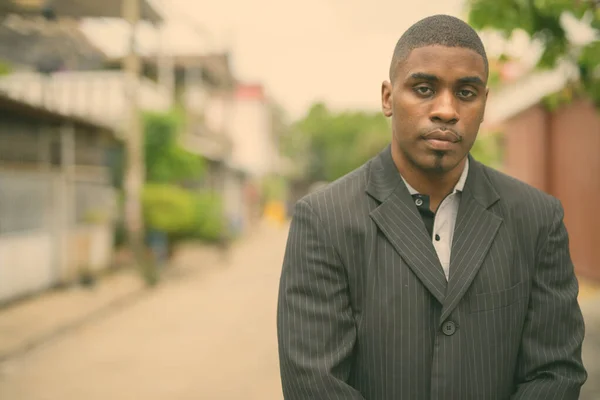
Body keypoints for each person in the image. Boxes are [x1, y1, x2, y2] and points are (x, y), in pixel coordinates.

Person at [276, 14, 587, 399]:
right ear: (388, 98)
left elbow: (556, 373)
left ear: (484, 103)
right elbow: (314, 384)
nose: (446, 110)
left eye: (466, 93)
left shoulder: (537, 219)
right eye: (424, 89)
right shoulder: (324, 220)